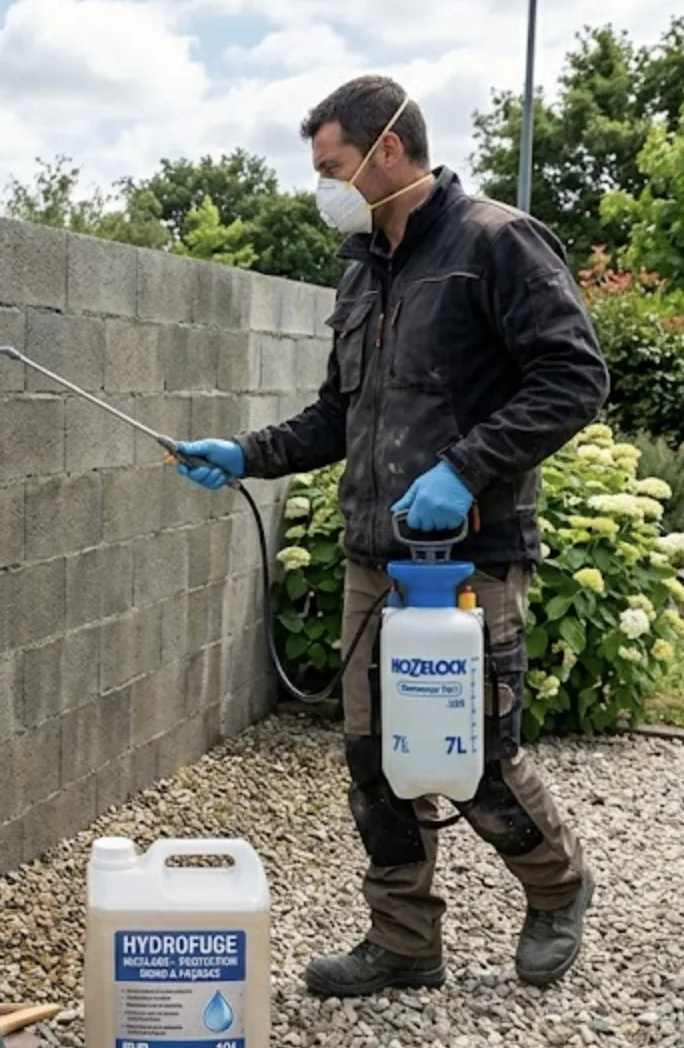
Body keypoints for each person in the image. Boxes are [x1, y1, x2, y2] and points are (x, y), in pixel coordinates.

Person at [175, 75, 610, 997]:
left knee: (479, 757)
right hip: (377, 556)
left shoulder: (496, 244)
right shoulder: (363, 267)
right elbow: (339, 415)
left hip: (470, 560)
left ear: (390, 151)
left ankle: (559, 888)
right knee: (378, 761)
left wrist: (465, 469)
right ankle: (404, 942)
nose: (324, 184)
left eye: (333, 166)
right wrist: (246, 454)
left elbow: (575, 377)